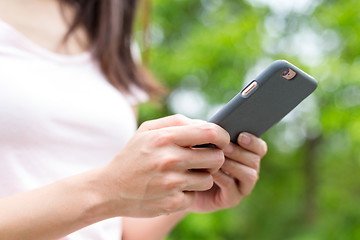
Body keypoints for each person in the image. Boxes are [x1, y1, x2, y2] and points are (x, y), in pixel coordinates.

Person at [0, 0, 268, 239]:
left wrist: (186, 191)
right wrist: (106, 191)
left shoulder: (114, 40)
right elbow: (108, 194)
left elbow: (123, 231)